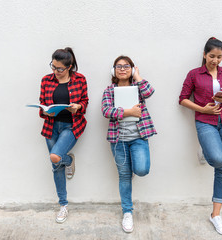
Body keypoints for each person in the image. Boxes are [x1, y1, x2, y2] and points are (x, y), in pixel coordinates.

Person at [179, 37, 222, 235]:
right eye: (212, 56)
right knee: (218, 158)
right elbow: (182, 99)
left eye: (219, 57)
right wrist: (203, 109)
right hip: (205, 122)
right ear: (204, 55)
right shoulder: (194, 74)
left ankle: (216, 215)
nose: (215, 60)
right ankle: (206, 150)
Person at [101, 56, 157, 233]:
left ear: (132, 69)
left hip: (139, 137)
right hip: (118, 140)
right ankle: (127, 212)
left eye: (127, 66)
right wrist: (128, 112)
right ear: (113, 70)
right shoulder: (109, 90)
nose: (122, 69)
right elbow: (106, 110)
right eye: (119, 66)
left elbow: (150, 92)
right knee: (124, 176)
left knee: (141, 170)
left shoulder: (138, 88)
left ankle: (131, 168)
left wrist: (138, 77)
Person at [38, 47, 88, 223]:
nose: (55, 71)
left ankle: (69, 160)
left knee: (54, 157)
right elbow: (43, 103)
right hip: (51, 126)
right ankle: (63, 205)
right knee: (56, 166)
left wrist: (78, 107)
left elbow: (84, 101)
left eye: (59, 69)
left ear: (69, 66)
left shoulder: (80, 79)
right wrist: (46, 112)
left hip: (71, 126)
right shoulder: (46, 80)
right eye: (53, 67)